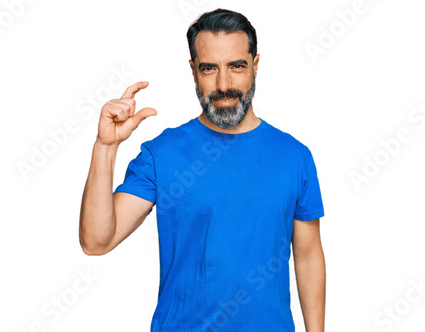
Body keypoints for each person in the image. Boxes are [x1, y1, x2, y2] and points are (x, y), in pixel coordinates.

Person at [79, 8, 326, 332]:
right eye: (210, 68)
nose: (224, 85)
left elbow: (308, 257)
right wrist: (106, 147)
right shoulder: (162, 154)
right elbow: (96, 241)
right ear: (194, 70)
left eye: (236, 66)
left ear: (255, 65)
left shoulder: (294, 157)